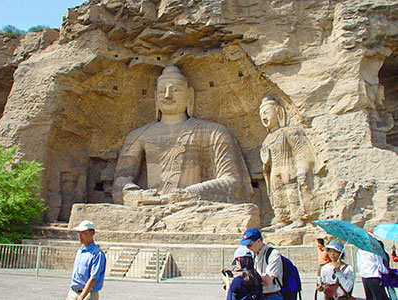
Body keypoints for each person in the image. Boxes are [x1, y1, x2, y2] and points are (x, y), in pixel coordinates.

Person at [112, 65, 253, 204]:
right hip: (150, 205)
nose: (167, 95)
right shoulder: (138, 135)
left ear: (189, 95)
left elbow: (233, 183)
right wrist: (138, 196)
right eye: (162, 91)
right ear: (155, 97)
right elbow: (120, 184)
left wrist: (191, 193)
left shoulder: (214, 132)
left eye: (175, 90)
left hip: (195, 207)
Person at [259, 95, 323, 229]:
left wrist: (302, 168)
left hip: (289, 168)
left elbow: (300, 152)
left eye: (266, 113)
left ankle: (298, 218)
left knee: (291, 193)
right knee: (278, 196)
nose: (263, 117)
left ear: (279, 112)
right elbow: (267, 162)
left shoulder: (289, 132)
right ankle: (282, 218)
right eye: (261, 114)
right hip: (275, 173)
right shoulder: (267, 139)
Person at [66, 220, 106, 300]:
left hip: (87, 294)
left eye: (83, 232)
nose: (80, 235)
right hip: (74, 292)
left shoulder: (97, 254)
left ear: (92, 233)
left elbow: (93, 277)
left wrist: (81, 297)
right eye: (79, 233)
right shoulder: (80, 251)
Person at [239, 228, 283, 300]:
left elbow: (268, 281)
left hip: (272, 296)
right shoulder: (254, 254)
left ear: (259, 241)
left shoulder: (273, 254)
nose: (248, 248)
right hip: (259, 294)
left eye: (249, 245)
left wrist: (244, 278)